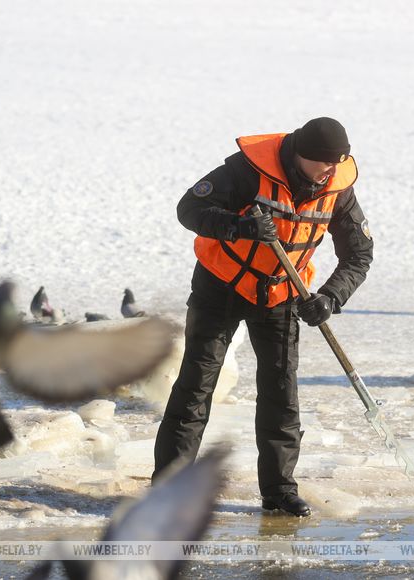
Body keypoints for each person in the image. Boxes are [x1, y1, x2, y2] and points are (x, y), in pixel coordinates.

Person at [153, 117, 374, 516]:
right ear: (300, 155)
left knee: (281, 394)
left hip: (282, 293)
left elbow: (358, 255)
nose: (330, 171)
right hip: (220, 286)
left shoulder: (338, 187)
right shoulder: (247, 170)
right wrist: (239, 226)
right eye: (324, 162)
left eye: (337, 163)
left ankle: (279, 492)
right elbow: (190, 209)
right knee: (195, 389)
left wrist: (329, 297)